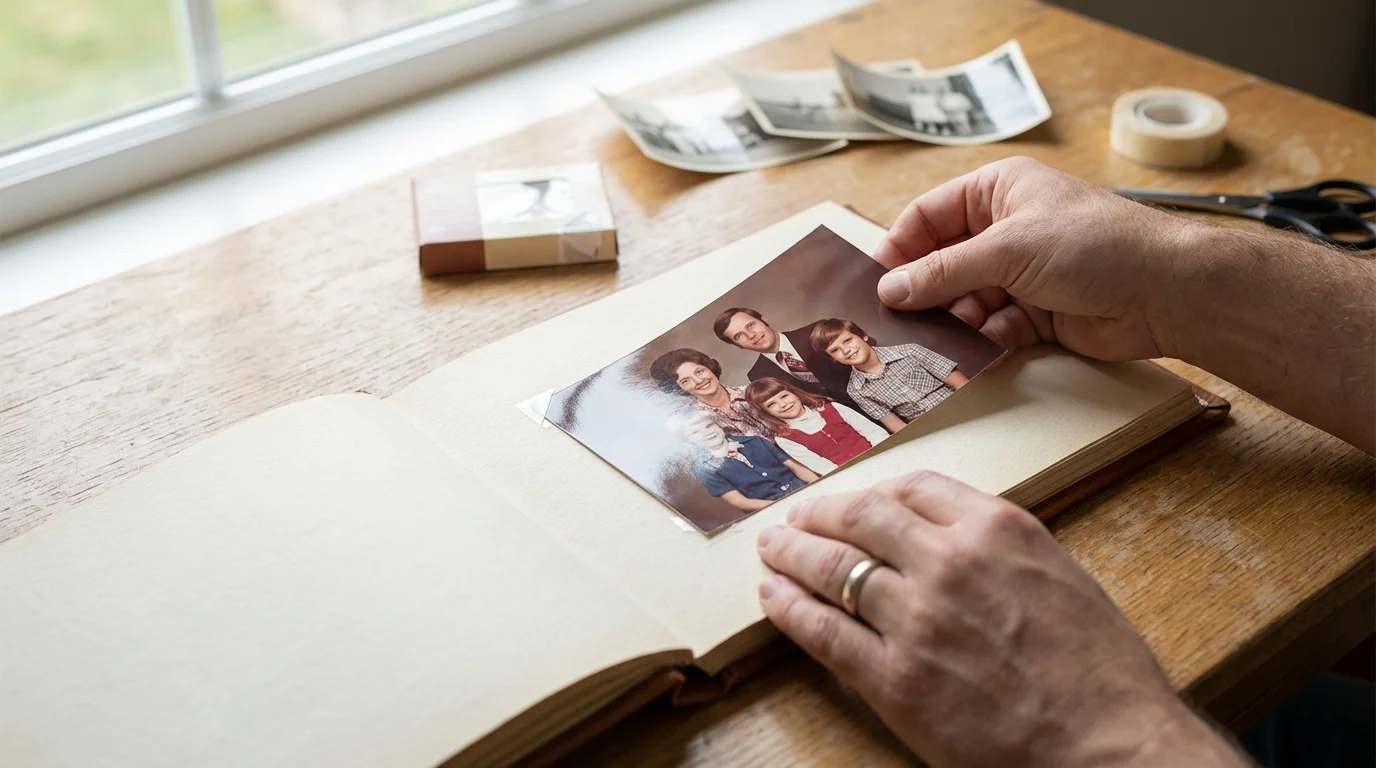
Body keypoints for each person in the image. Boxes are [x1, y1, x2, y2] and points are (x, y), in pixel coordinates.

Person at [754, 157, 1375, 768]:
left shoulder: (910, 349)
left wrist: (1108, 735)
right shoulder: (854, 394)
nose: (843, 346)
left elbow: (950, 376)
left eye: (845, 336)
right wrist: (1169, 284)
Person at [810, 317, 970, 433]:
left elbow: (961, 383)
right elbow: (895, 425)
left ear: (863, 336)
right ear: (833, 359)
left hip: (962, 405)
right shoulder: (856, 390)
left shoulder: (909, 351)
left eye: (848, 340)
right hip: (928, 430)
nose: (845, 350)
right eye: (835, 350)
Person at [713, 307, 864, 409]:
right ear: (739, 346)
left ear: (765, 321)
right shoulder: (758, 376)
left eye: (751, 325)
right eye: (739, 336)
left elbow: (868, 349)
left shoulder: (816, 331)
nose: (751, 335)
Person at [744, 376, 889, 475]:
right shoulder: (786, 438)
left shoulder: (832, 408)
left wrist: (881, 456)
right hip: (851, 474)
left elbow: (874, 432)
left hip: (883, 455)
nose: (783, 404)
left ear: (793, 393)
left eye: (784, 396)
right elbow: (823, 467)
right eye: (771, 404)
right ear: (766, 412)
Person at [677, 414, 818, 513]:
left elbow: (796, 467)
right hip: (770, 506)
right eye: (695, 432)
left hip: (803, 489)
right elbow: (739, 502)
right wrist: (783, 506)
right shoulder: (704, 469)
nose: (707, 433)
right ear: (688, 441)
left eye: (709, 426)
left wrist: (819, 484)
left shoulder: (755, 441)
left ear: (718, 425)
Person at [648, 347, 774, 439]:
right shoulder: (697, 424)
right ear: (679, 388)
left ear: (710, 367)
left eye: (699, 372)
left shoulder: (754, 392)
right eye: (686, 381)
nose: (698, 381)